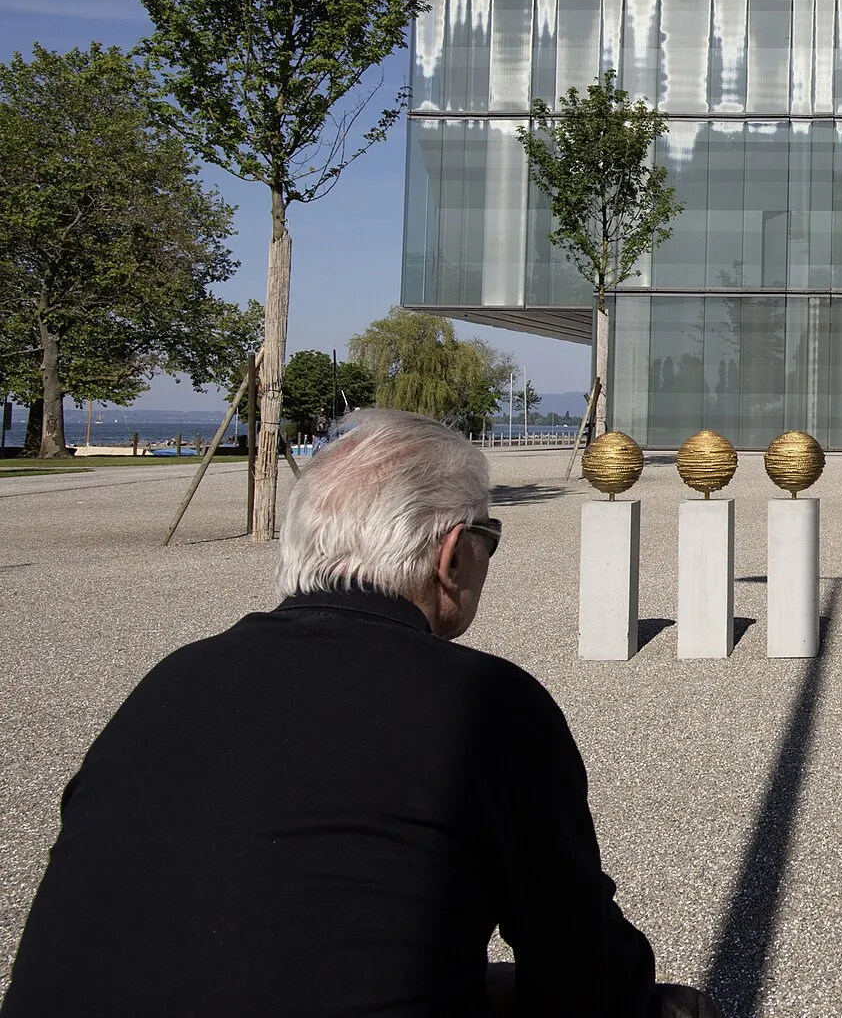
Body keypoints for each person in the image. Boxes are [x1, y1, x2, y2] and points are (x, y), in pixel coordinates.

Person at [1, 410, 719, 1018]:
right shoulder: (487, 704)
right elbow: (582, 968)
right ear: (451, 555)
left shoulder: (174, 676)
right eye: (488, 538)